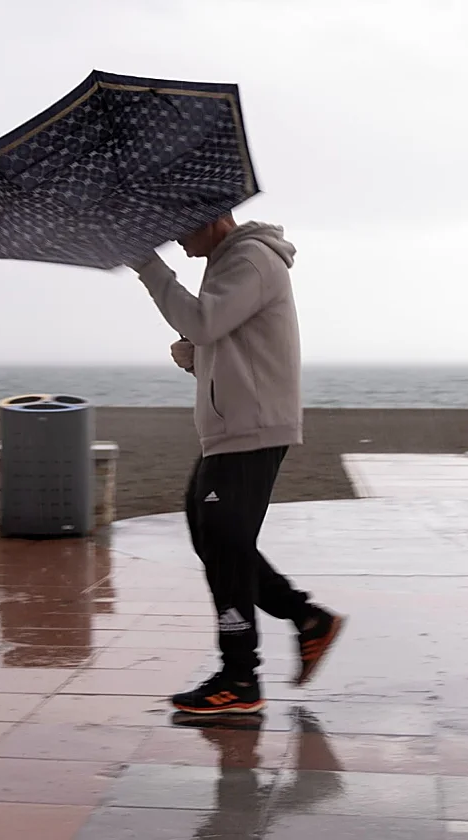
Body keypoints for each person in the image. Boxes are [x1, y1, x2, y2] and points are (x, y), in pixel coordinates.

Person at [130, 213, 344, 715]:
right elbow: (223, 333)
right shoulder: (229, 260)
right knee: (216, 538)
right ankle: (306, 618)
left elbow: (204, 320)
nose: (178, 238)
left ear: (213, 218)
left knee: (224, 543)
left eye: (183, 228)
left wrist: (147, 266)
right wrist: (200, 355)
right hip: (232, 429)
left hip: (252, 428)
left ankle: (240, 676)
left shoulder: (250, 258)